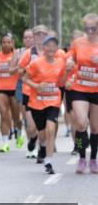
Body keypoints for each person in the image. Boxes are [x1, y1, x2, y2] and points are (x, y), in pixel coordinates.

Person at [23, 35, 68, 174]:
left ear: (57, 48)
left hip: (53, 101)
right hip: (37, 103)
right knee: (42, 134)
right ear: (44, 47)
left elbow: (61, 82)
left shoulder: (61, 62)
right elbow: (25, 78)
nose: (51, 48)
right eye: (48, 45)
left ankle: (49, 162)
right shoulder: (36, 63)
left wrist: (68, 72)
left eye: (54, 46)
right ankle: (42, 145)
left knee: (50, 129)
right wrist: (37, 86)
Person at [66, 15, 98, 174]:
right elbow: (69, 56)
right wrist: (69, 61)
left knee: (95, 127)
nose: (90, 32)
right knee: (80, 123)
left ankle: (93, 159)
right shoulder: (78, 42)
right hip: (80, 88)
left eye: (93, 28)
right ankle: (81, 158)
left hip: (96, 90)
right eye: (87, 29)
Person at [18, 26, 49, 160]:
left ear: (47, 36)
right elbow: (20, 71)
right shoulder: (29, 53)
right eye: (37, 35)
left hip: (46, 94)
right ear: (34, 37)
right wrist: (30, 70)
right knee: (32, 127)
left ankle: (42, 148)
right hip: (29, 93)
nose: (40, 37)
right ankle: (33, 138)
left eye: (43, 34)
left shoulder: (52, 52)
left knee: (44, 126)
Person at [0, 33, 20, 152]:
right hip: (1, 88)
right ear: (1, 43)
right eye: (4, 42)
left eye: (8, 42)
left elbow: (21, 67)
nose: (6, 44)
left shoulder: (16, 55)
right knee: (3, 114)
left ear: (12, 43)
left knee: (16, 116)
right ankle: (5, 142)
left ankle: (18, 132)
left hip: (14, 88)